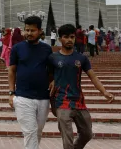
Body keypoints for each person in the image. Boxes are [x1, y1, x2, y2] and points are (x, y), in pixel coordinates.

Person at [48, 24, 114, 149]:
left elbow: (93, 76)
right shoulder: (53, 58)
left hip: (79, 101)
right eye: (66, 37)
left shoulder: (81, 58)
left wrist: (104, 92)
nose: (69, 40)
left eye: (72, 37)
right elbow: (49, 76)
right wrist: (52, 82)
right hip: (62, 102)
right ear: (59, 39)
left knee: (87, 134)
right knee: (67, 140)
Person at [8, 16, 53, 149]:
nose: (28, 33)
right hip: (23, 97)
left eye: (32, 30)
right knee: (30, 131)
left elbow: (50, 71)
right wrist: (11, 93)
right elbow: (12, 71)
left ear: (39, 31)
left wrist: (53, 81)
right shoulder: (17, 48)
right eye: (26, 30)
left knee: (37, 132)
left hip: (43, 98)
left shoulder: (46, 49)